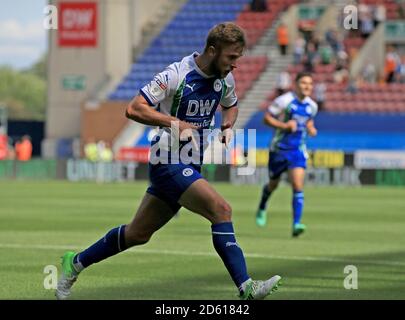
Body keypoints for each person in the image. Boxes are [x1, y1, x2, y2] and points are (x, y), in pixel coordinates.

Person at [56, 22, 281, 300]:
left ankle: (74, 263)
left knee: (138, 234)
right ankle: (247, 287)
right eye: (231, 57)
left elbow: (231, 104)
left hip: (190, 162)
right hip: (167, 159)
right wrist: (176, 123)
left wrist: (227, 127)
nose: (236, 64)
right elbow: (134, 108)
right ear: (212, 50)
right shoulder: (176, 74)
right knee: (221, 210)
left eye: (238, 57)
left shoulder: (225, 78)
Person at [255, 72, 318, 237]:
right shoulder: (284, 101)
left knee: (298, 186)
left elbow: (308, 120)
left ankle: (296, 224)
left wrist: (311, 128)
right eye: (304, 83)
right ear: (296, 84)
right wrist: (284, 126)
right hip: (279, 149)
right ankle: (262, 205)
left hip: (298, 150)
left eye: (310, 84)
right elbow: (266, 119)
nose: (307, 86)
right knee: (273, 185)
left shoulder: (312, 106)